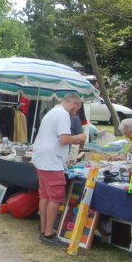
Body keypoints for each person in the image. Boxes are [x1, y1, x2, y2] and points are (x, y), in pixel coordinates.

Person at [32, 93, 86, 247]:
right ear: (74, 103)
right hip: (52, 160)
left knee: (45, 195)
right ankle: (48, 233)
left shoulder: (52, 112)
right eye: (78, 108)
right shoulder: (63, 115)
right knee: (55, 197)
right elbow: (64, 139)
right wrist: (80, 137)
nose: (77, 112)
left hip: (42, 159)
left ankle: (44, 229)